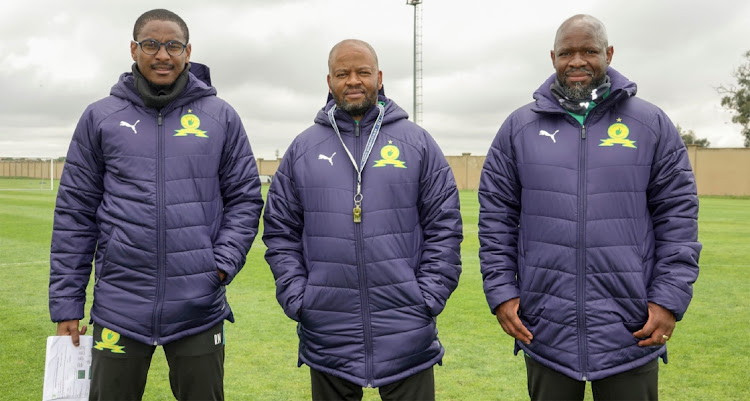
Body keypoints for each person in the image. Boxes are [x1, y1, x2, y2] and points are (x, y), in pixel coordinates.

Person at [478, 14, 701, 400]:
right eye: (567, 52)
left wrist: (668, 298)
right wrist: (502, 293)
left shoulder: (651, 125)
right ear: (553, 57)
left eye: (589, 51)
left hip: (631, 329)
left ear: (609, 54)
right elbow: (496, 219)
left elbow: (678, 217)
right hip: (546, 328)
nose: (577, 61)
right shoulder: (518, 129)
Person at [48, 9, 263, 401]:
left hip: (198, 304)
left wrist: (220, 264)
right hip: (119, 304)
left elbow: (246, 198)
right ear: (134, 49)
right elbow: (74, 215)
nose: (162, 55)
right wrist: (67, 305)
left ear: (187, 51)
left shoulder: (221, 116)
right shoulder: (100, 117)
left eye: (173, 46)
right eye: (151, 45)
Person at [263, 39, 462, 401]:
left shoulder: (416, 143)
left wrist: (428, 296)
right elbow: (280, 231)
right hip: (328, 330)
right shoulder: (303, 149)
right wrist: (300, 299)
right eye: (343, 74)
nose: (353, 81)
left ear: (379, 77)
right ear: (329, 81)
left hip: (407, 327)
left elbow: (444, 226)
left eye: (363, 72)